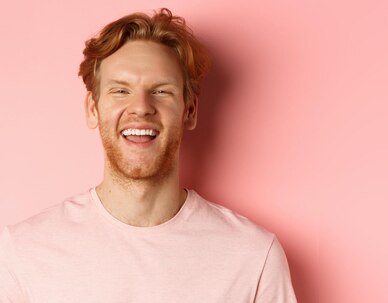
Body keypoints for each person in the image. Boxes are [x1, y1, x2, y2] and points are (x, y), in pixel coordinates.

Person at [0, 8, 297, 303]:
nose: (141, 107)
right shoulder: (23, 252)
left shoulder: (253, 256)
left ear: (189, 110)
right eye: (120, 90)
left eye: (161, 91)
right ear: (93, 109)